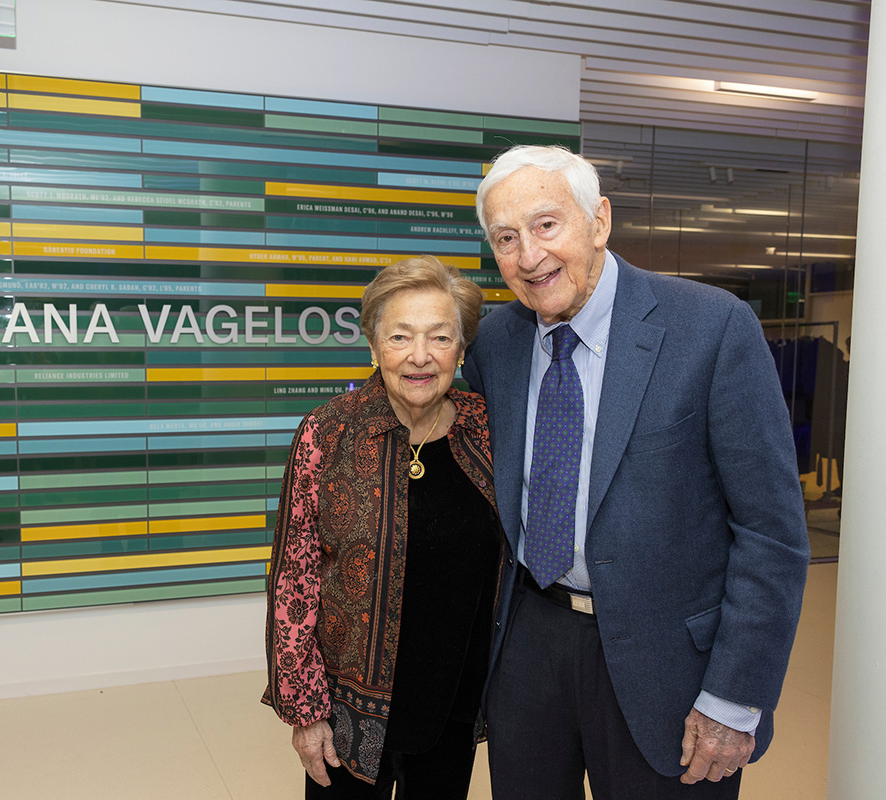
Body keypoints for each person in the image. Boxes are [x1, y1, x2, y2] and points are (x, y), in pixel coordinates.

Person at [462, 144, 810, 799]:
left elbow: (772, 532)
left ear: (599, 221)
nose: (529, 256)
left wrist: (735, 697)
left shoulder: (711, 328)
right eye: (506, 238)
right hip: (532, 646)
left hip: (670, 667)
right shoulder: (496, 345)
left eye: (545, 225)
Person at [263, 255, 504, 798]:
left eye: (440, 338)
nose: (420, 356)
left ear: (461, 349)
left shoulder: (486, 429)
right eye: (400, 336)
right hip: (348, 714)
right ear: (373, 347)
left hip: (454, 705)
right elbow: (293, 580)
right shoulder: (327, 434)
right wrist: (306, 710)